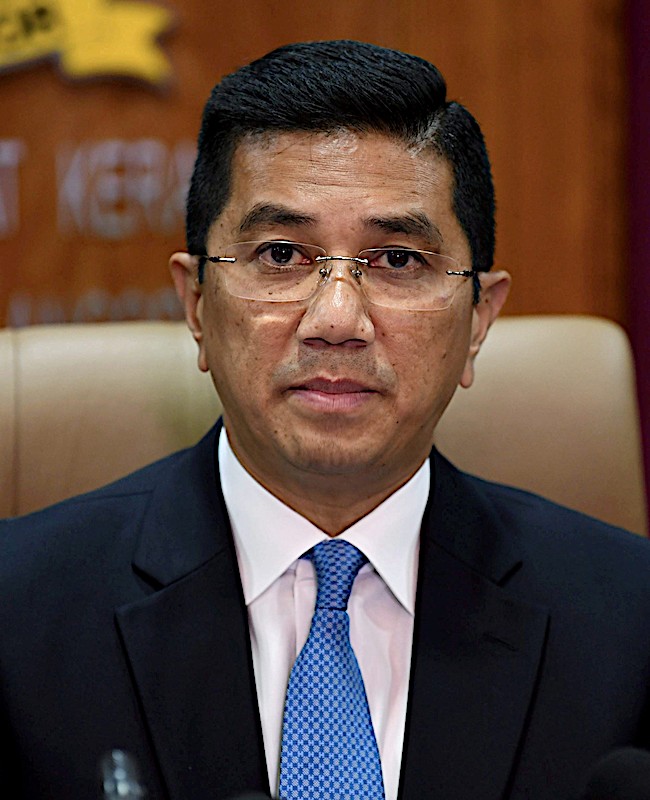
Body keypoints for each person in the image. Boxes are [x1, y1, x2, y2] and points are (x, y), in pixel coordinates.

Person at [1, 40, 649, 800]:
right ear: (196, 305)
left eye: (398, 261)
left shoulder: (630, 624)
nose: (337, 320)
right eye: (281, 254)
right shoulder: (18, 613)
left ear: (479, 319)